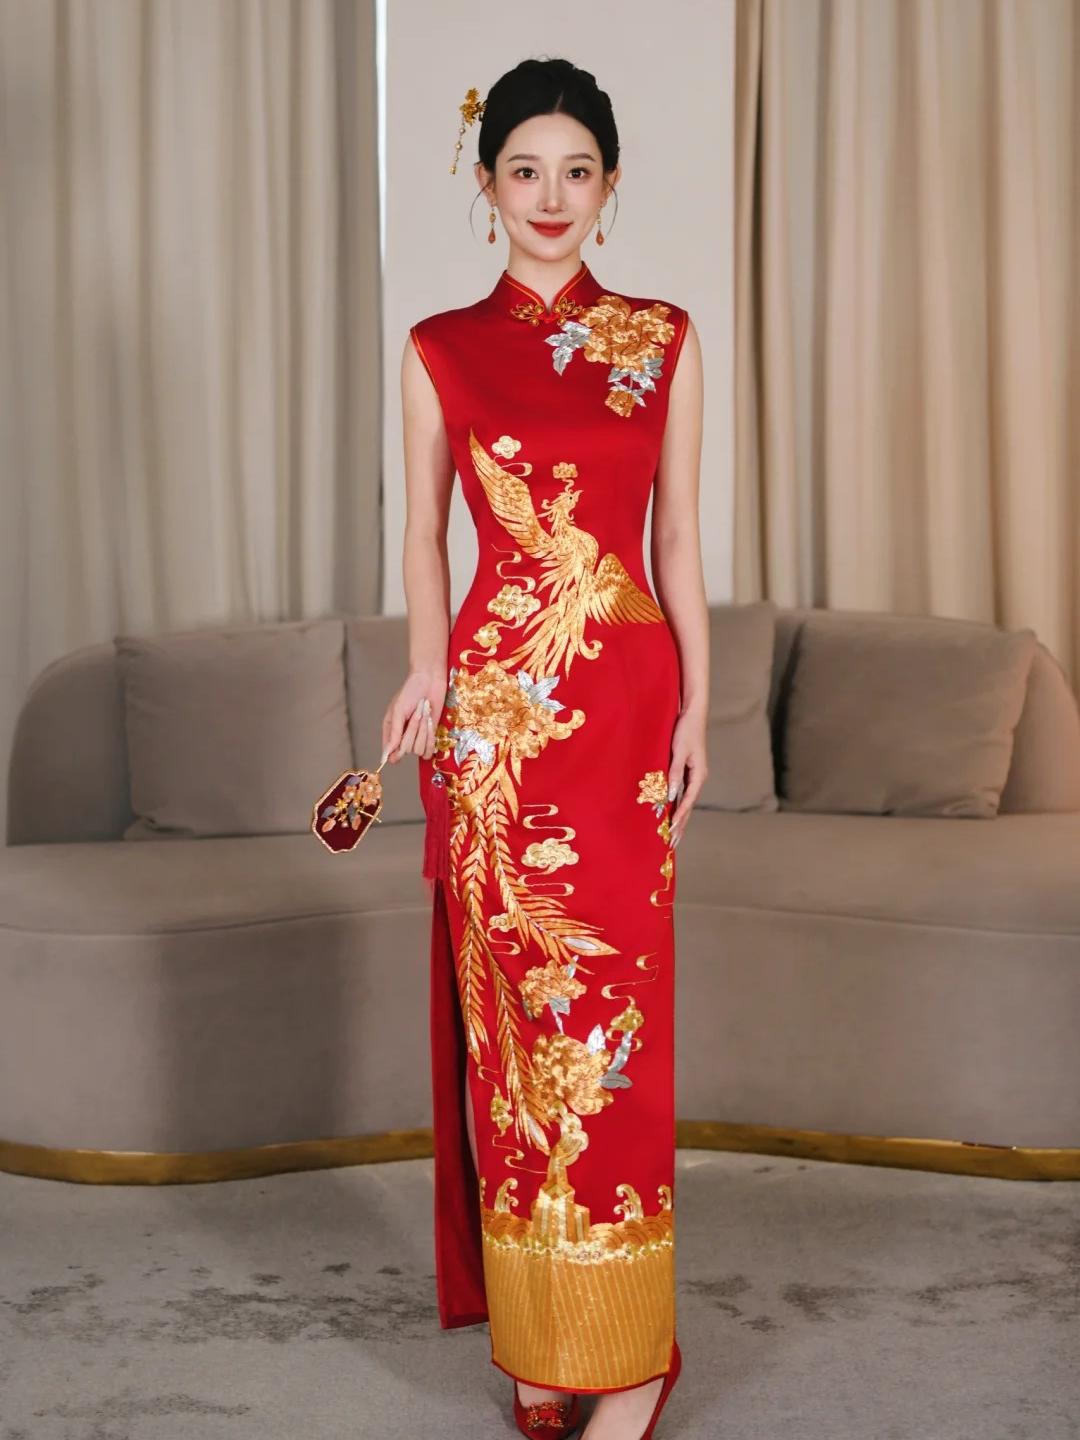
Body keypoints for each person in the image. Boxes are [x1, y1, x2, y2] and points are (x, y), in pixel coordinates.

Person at [382, 56, 707, 1440]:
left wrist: (700, 707)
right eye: (526, 170)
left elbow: (676, 539)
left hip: (625, 715)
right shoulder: (440, 348)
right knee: (511, 1029)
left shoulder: (663, 338)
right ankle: (540, 1332)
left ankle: (626, 1356)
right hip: (495, 727)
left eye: (578, 170)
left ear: (610, 184)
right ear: (487, 185)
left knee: (616, 1023)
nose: (552, 196)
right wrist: (425, 670)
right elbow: (422, 534)